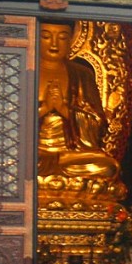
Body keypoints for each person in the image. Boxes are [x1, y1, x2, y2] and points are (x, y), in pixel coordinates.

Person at [37, 22, 121, 183]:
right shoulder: (24, 70)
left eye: (62, 38)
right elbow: (10, 124)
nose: (54, 43)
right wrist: (44, 108)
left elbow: (97, 123)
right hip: (34, 154)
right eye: (46, 36)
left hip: (70, 155)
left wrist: (63, 109)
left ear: (71, 41)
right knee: (14, 162)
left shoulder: (82, 75)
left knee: (108, 167)